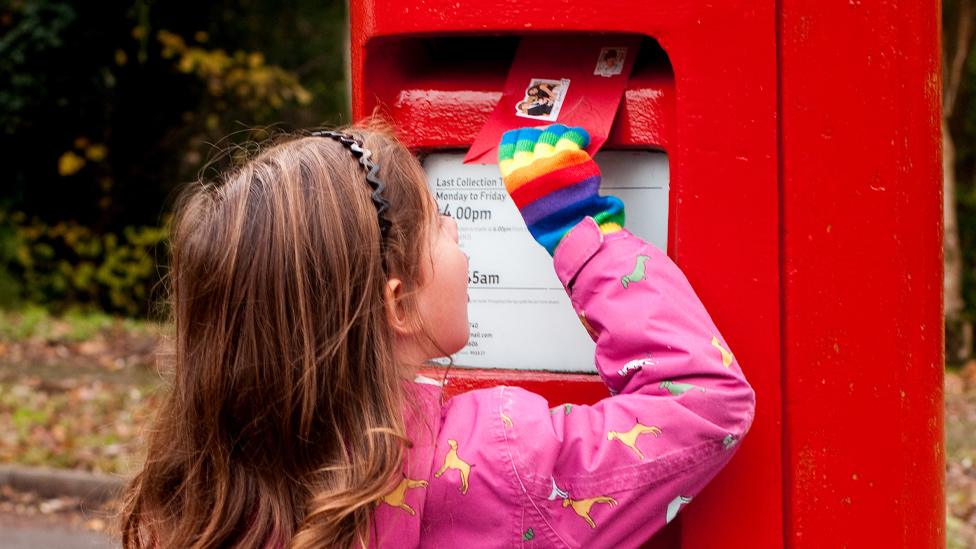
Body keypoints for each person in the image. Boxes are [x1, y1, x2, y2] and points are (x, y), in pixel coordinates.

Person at [119, 120, 755, 548]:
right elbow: (703, 402)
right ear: (398, 304)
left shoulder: (205, 499)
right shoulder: (496, 461)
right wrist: (580, 231)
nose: (457, 231)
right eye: (440, 222)